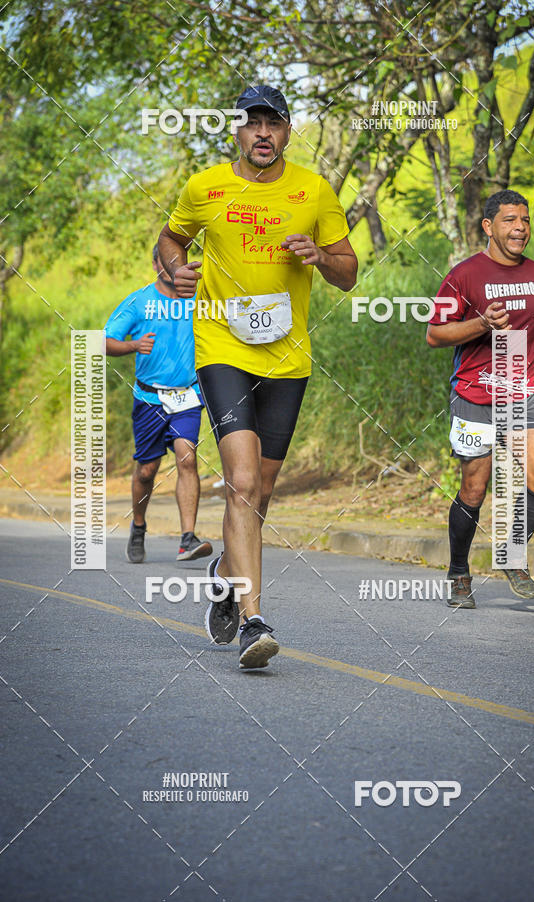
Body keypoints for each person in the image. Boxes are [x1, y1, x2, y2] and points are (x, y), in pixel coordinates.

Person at [158, 84, 357, 668]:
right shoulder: (206, 187)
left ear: (288, 132)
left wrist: (321, 257)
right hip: (221, 347)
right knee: (242, 483)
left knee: (261, 493)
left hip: (287, 358)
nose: (262, 133)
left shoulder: (313, 191)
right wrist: (175, 269)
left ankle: (223, 571)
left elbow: (348, 272)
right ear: (237, 133)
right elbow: (171, 238)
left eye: (274, 123)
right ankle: (254, 621)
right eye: (252, 124)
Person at [427, 189, 534, 608]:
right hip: (475, 392)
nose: (520, 227)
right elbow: (435, 334)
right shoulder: (464, 275)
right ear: (488, 226)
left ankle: (511, 552)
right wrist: (481, 323)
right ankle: (459, 573)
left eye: (525, 220)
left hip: (525, 389)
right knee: (474, 489)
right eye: (509, 220)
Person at [104, 244, 213, 564]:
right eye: (167, 263)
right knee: (146, 470)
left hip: (188, 395)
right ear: (155, 265)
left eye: (178, 262)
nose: (173, 268)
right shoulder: (138, 302)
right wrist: (133, 345)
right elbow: (104, 341)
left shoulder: (199, 298)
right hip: (149, 397)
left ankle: (187, 539)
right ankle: (138, 526)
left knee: (187, 459)